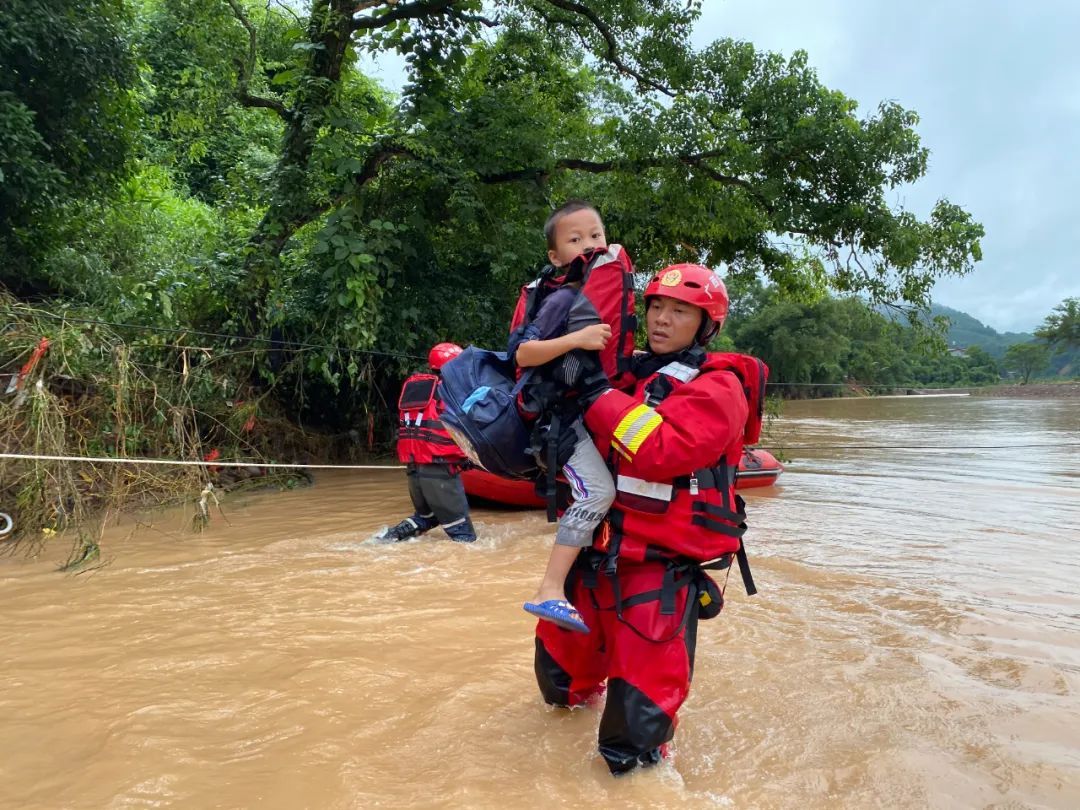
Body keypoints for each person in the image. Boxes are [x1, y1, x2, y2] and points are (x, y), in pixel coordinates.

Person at [532, 263, 763, 775]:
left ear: (706, 325)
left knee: (631, 747)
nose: (661, 319)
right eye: (656, 306)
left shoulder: (719, 387)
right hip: (589, 563)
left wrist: (595, 394)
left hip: (653, 575)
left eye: (679, 311)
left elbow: (661, 449)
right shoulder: (624, 373)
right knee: (559, 693)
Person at [512, 201, 618, 634]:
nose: (589, 245)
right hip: (558, 418)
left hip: (588, 412)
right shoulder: (560, 298)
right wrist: (580, 337)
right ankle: (549, 590)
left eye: (595, 236)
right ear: (556, 257)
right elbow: (521, 353)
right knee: (598, 493)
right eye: (575, 240)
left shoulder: (604, 293)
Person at [379, 342, 477, 543]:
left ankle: (384, 540)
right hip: (439, 470)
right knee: (464, 537)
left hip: (415, 469)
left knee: (426, 518)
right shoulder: (449, 392)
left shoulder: (416, 389)